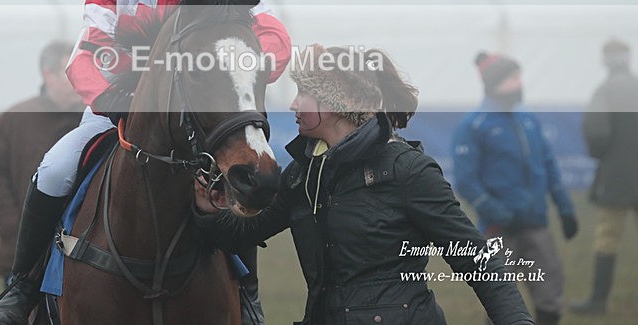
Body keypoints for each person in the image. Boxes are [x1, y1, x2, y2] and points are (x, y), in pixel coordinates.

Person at [0, 0, 292, 325]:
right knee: (55, 167)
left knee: (237, 174)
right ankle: (21, 289)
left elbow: (271, 33)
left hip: (198, 120)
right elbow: (88, 47)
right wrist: (115, 100)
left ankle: (245, 292)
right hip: (120, 110)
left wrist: (244, 68)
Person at [195, 44, 534, 325]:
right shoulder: (302, 175)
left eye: (304, 94)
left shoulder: (409, 171)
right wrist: (207, 209)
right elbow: (242, 233)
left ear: (337, 103)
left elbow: (475, 257)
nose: (294, 104)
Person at [452, 52, 578, 325]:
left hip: (537, 226)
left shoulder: (527, 119)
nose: (519, 84)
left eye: (519, 78)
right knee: (501, 305)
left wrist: (565, 208)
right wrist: (498, 214)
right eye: (512, 79)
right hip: (499, 231)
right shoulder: (473, 125)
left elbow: (548, 166)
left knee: (550, 300)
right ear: (494, 83)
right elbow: (466, 181)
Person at [0, 40, 84, 286]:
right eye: (70, 71)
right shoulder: (15, 120)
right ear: (48, 75)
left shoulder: (98, 120)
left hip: (85, 253)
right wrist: (15, 228)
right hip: (25, 254)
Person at [570, 39, 638, 315]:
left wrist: (604, 156)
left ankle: (598, 301)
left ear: (605, 60)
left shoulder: (605, 91)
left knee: (608, 236)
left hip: (616, 175)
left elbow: (597, 133)